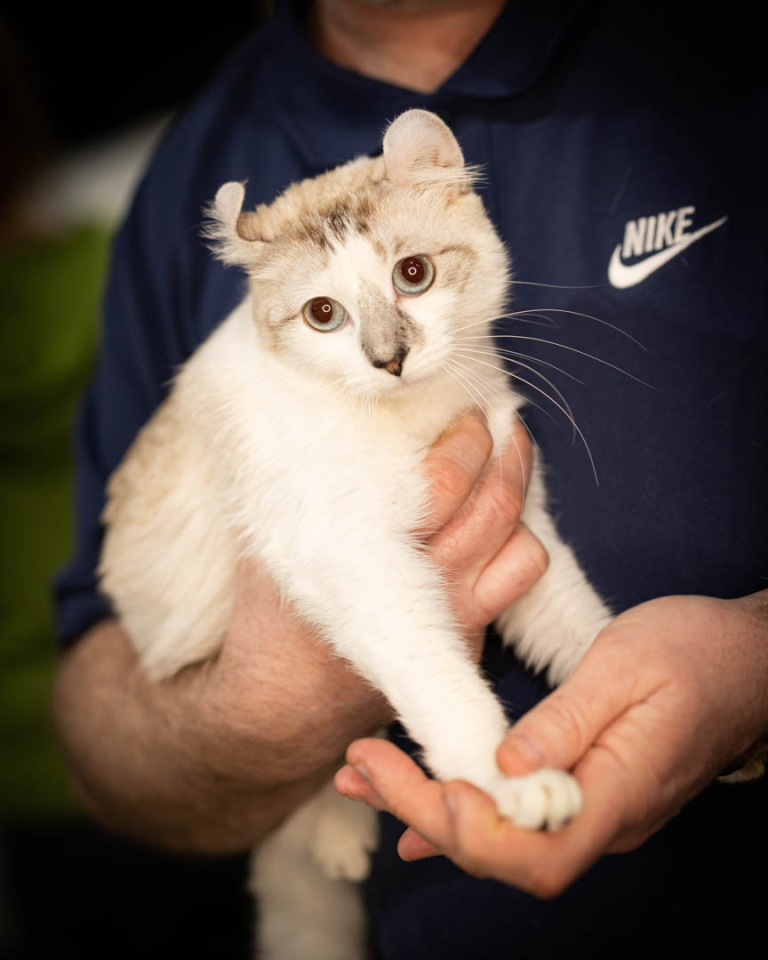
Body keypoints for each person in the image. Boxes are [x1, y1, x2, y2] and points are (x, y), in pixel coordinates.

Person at [53, 1, 768, 957]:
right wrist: (476, 764)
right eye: (323, 316)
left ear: (460, 208)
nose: (388, 352)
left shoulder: (712, 58)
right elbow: (348, 580)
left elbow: (524, 558)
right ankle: (317, 814)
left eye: (415, 275)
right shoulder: (193, 161)